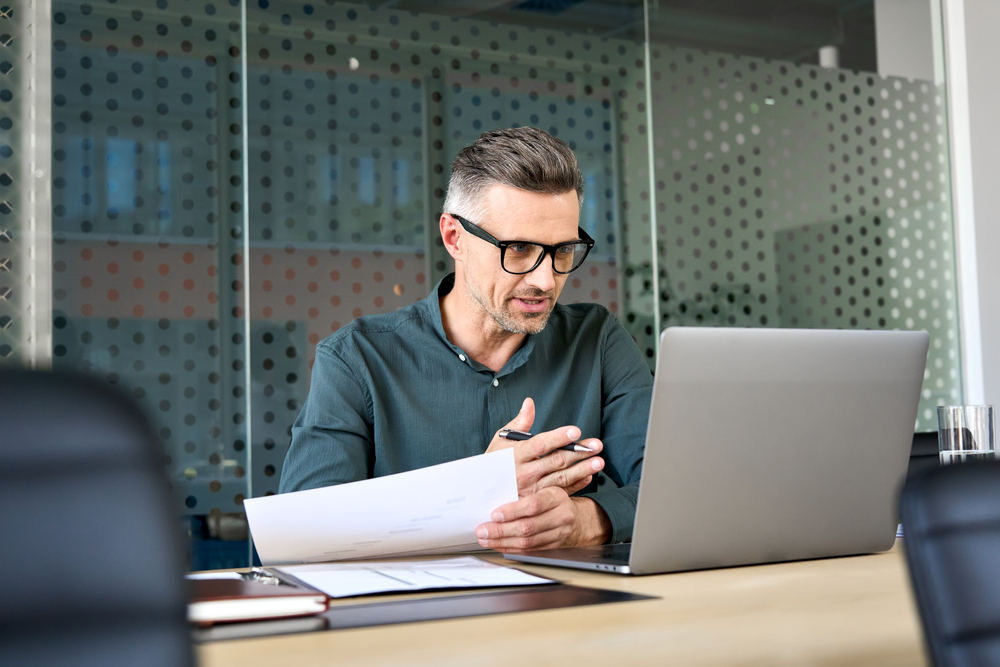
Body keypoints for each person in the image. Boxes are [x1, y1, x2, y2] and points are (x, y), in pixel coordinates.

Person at [279, 126, 653, 552]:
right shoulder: (356, 360)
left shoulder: (597, 340)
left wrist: (590, 519)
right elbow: (301, 534)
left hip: (570, 612)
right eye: (518, 250)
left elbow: (677, 489)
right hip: (420, 618)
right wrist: (475, 490)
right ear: (455, 238)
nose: (545, 279)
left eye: (563, 251)